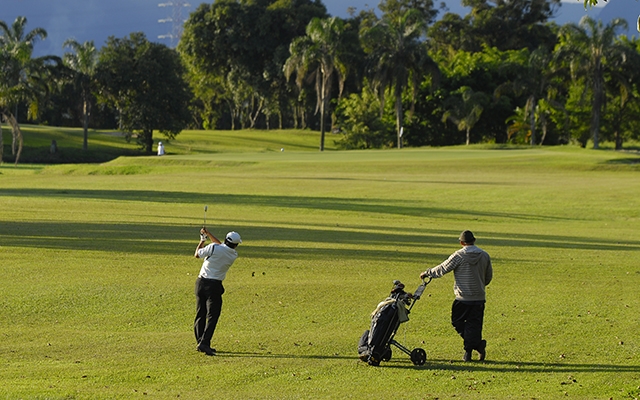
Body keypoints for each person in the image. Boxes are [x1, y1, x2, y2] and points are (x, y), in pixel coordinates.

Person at [420, 230, 492, 361]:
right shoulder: (484, 255)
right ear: (474, 240)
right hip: (479, 297)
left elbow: (443, 268)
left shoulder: (458, 256)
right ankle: (476, 346)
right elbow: (488, 277)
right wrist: (479, 285)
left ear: (461, 242)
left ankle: (469, 351)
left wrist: (428, 273)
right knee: (474, 325)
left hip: (462, 297)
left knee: (457, 321)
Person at [193, 227, 242, 356]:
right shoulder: (233, 254)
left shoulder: (214, 247)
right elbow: (221, 246)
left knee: (201, 314)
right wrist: (209, 234)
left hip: (200, 283)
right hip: (214, 286)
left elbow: (197, 254)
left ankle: (201, 342)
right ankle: (204, 343)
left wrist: (202, 240)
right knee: (212, 316)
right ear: (236, 245)